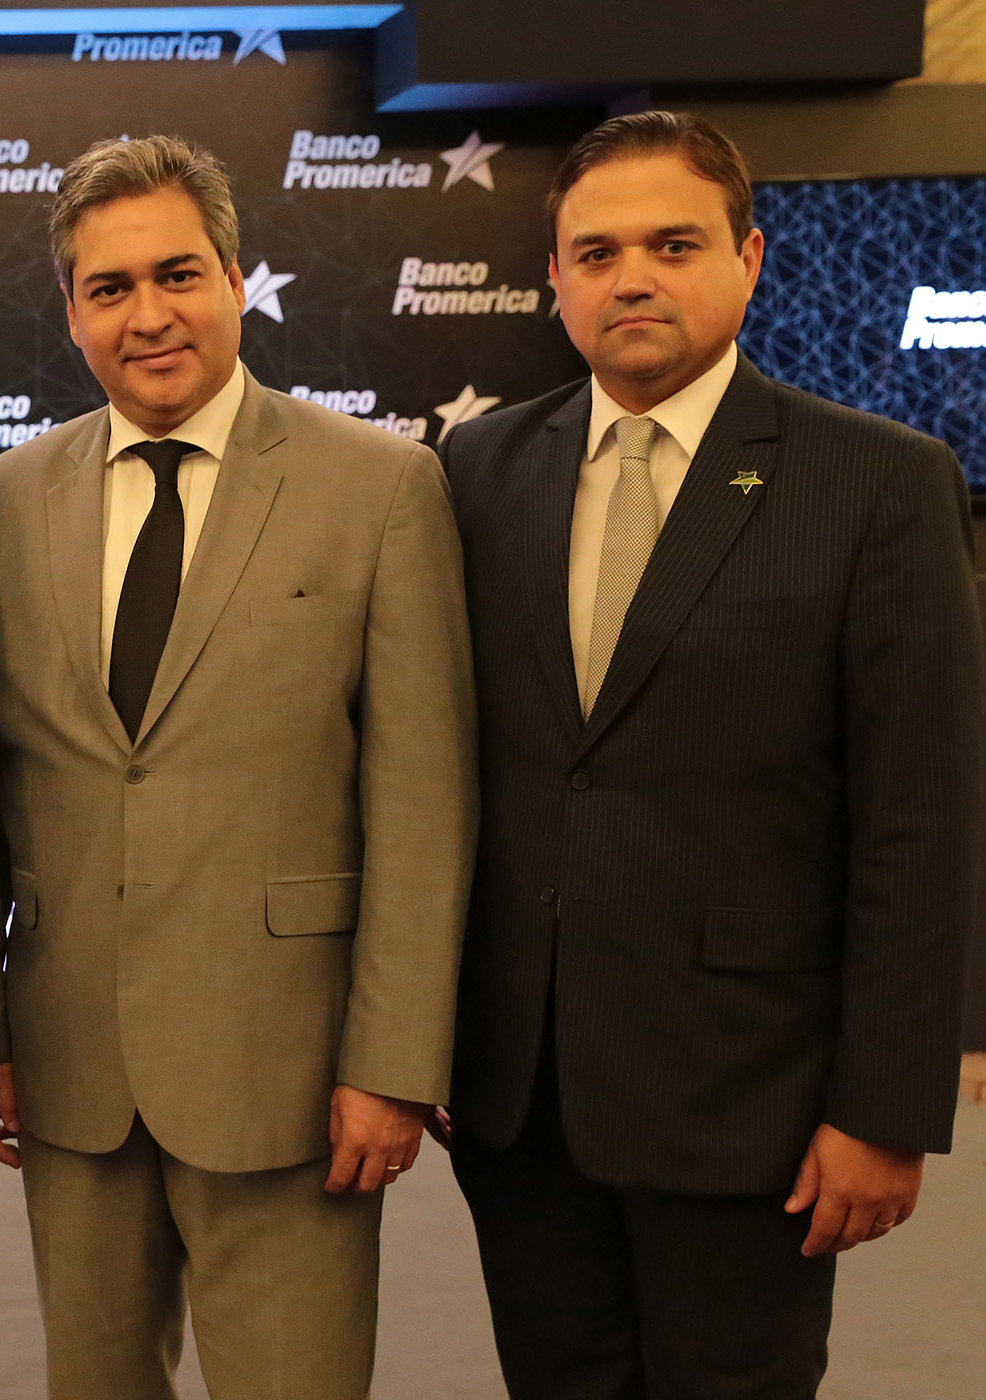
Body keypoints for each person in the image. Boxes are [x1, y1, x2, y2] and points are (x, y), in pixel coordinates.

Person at [439, 110, 983, 1400]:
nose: (633, 276)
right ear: (556, 279)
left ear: (748, 257)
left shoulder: (881, 483)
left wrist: (887, 1107)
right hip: (524, 1101)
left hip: (758, 1102)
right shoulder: (474, 468)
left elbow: (924, 817)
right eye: (597, 250)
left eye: (673, 243)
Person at [0, 134, 477, 1400]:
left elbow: (423, 802)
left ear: (239, 279)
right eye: (109, 287)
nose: (149, 314)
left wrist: (392, 1062)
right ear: (71, 312)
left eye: (178, 273)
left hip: (290, 1073)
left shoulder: (384, 488)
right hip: (68, 1061)